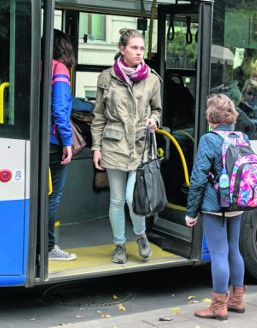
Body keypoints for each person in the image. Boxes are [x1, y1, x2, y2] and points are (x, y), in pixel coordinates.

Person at [91, 28, 161, 264]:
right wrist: (96, 148)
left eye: (141, 48)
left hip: (140, 147)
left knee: (134, 198)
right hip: (113, 146)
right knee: (117, 200)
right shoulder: (106, 77)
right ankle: (119, 245)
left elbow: (157, 109)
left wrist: (154, 120)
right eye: (134, 48)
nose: (139, 52)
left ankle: (141, 236)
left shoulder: (152, 78)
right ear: (122, 49)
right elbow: (99, 116)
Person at [185, 94, 247, 320]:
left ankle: (218, 306)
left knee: (219, 253)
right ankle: (237, 300)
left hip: (214, 205)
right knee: (234, 249)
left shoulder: (209, 139)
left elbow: (199, 178)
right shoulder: (242, 137)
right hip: (238, 203)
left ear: (211, 117)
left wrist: (191, 212)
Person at [47, 29, 78, 261]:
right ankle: (48, 247)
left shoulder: (38, 64)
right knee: (53, 197)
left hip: (38, 138)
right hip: (53, 141)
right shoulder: (59, 69)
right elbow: (59, 109)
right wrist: (67, 141)